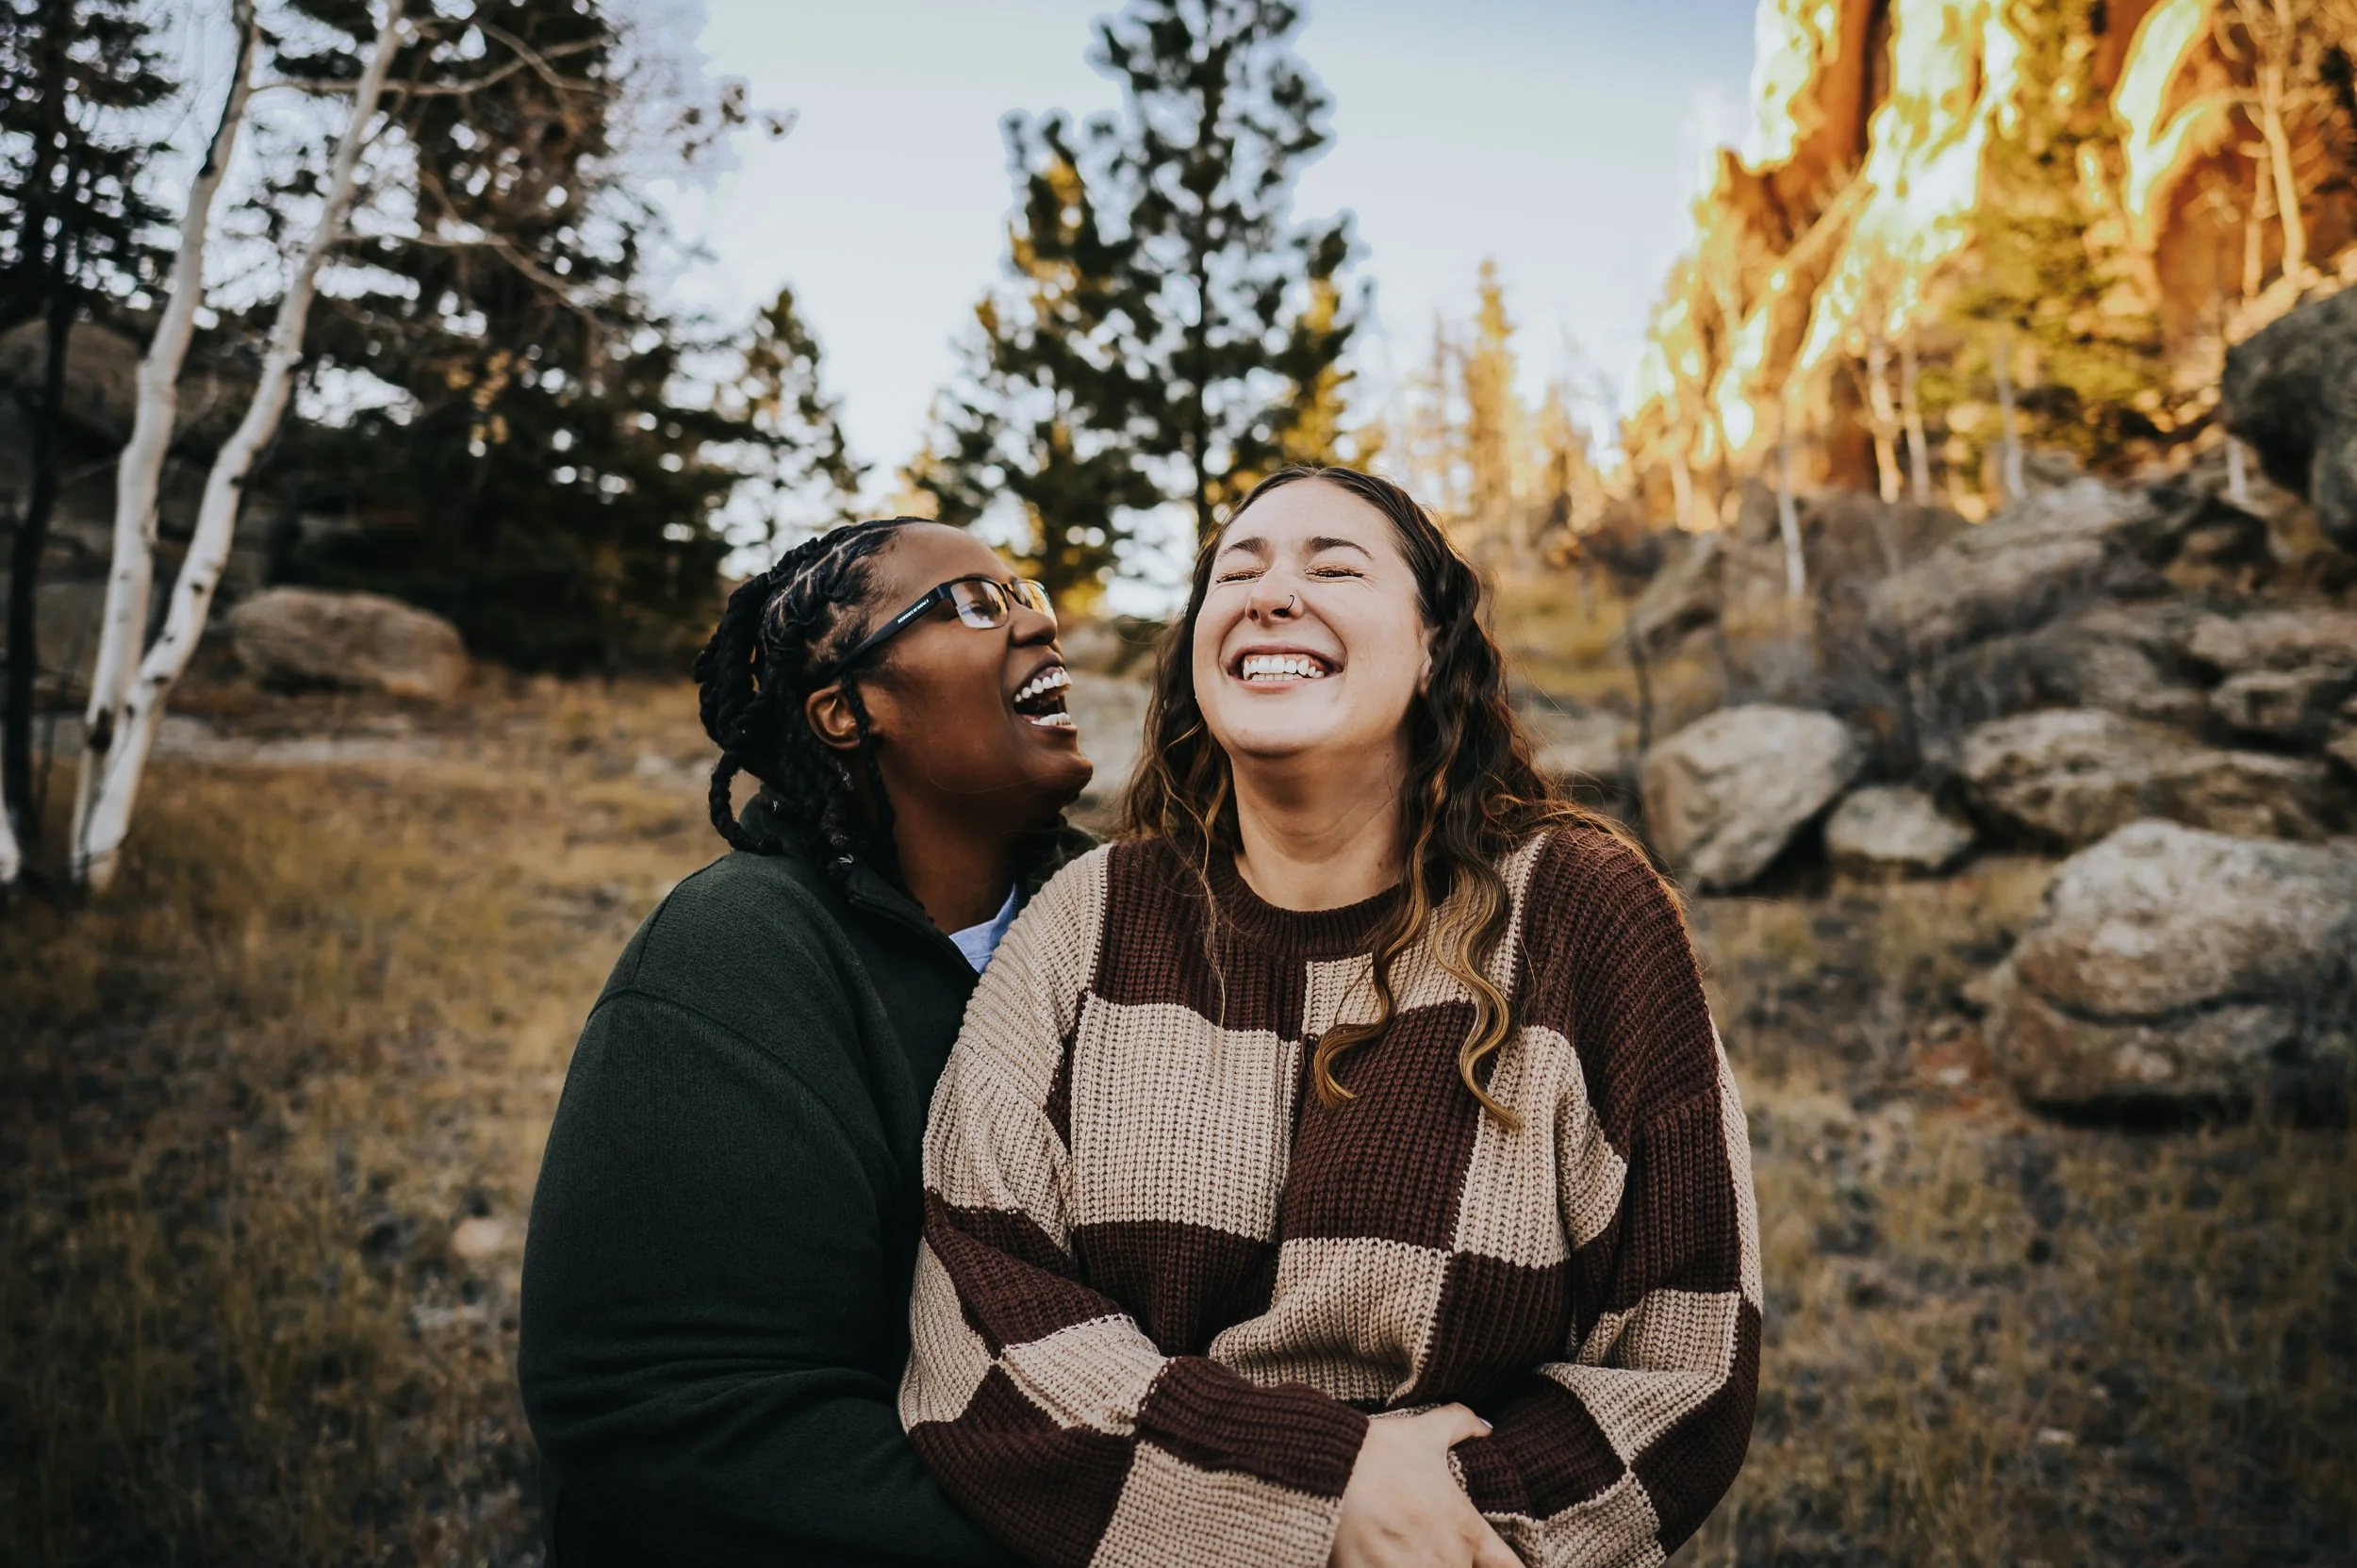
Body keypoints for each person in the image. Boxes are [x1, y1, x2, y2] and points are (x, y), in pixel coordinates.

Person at [901, 467, 1760, 1568]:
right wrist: (1319, 1490)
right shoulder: (1092, 916)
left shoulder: (1579, 911)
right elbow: (975, 1315)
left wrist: (1435, 1525)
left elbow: (1685, 1355)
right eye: (1237, 572)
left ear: (1434, 647)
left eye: (1333, 567)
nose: (1269, 595)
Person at [519, 518, 1096, 1567]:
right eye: (973, 602)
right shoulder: (737, 951)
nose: (1037, 625)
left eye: (1027, 592)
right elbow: (668, 1412)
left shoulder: (1129, 918)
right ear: (846, 711)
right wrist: (1119, 1540)